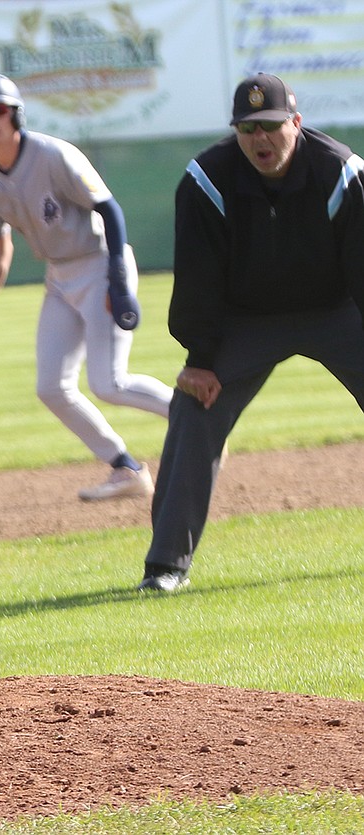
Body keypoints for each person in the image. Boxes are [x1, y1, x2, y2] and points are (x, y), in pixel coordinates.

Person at [139, 72, 364, 591]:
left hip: (335, 309)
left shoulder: (341, 171)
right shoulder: (206, 179)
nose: (259, 139)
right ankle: (167, 564)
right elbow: (198, 276)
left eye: (270, 125)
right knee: (194, 406)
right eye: (247, 128)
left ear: (296, 123)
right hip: (247, 320)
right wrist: (199, 356)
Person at [0, 73, 173, 501]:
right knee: (51, 388)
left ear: (15, 114)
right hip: (58, 277)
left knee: (109, 382)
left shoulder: (53, 154)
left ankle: (196, 420)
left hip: (98, 265)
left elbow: (109, 210)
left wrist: (118, 279)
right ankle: (126, 468)